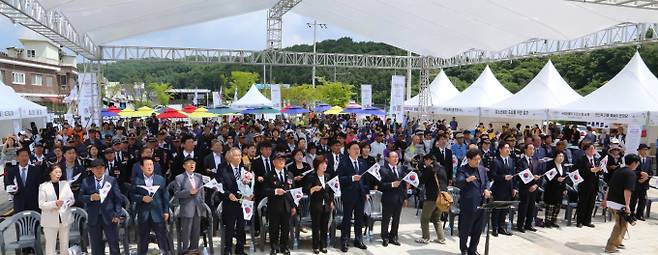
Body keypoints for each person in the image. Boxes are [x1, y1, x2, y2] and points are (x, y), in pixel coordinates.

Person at [80, 159, 122, 255]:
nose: (99, 170)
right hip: (94, 217)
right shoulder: (86, 181)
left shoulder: (111, 180)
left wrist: (117, 214)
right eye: (96, 168)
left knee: (113, 243)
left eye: (101, 168)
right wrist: (90, 197)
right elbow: (80, 197)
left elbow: (118, 199)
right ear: (92, 170)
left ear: (104, 169)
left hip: (110, 216)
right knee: (95, 244)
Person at [131, 157, 170, 255]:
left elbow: (165, 196)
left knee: (162, 237)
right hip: (143, 213)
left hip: (158, 212)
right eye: (147, 165)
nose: (149, 167)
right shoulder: (136, 180)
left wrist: (166, 211)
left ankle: (164, 253)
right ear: (141, 167)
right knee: (143, 238)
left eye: (151, 164)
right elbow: (132, 195)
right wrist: (142, 198)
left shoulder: (160, 179)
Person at [456, 148, 491, 255]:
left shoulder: (481, 169)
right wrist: (467, 180)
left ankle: (473, 249)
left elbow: (487, 182)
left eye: (479, 159)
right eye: (475, 159)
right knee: (465, 229)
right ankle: (464, 249)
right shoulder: (463, 169)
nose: (478, 161)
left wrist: (486, 189)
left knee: (478, 229)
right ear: (469, 159)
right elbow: (458, 183)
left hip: (482, 203)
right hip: (468, 204)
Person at [602, 154, 640, 253]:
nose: (637, 165)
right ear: (634, 163)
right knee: (620, 226)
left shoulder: (618, 170)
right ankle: (611, 247)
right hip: (620, 204)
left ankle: (618, 242)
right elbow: (627, 190)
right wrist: (627, 205)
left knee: (622, 224)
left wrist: (605, 200)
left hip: (611, 202)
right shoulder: (631, 174)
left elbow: (609, 187)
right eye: (637, 163)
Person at [338, 141, 368, 252]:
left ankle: (358, 239)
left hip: (360, 195)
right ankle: (344, 240)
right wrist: (351, 178)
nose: (357, 150)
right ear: (348, 150)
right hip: (348, 195)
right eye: (354, 148)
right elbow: (339, 179)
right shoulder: (343, 162)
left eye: (358, 149)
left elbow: (365, 180)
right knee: (347, 219)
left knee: (359, 219)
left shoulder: (362, 163)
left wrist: (366, 192)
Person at [219, 148, 249, 255]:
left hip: (242, 202)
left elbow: (249, 185)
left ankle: (240, 248)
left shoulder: (244, 170)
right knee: (230, 227)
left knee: (241, 227)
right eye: (236, 155)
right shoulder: (224, 170)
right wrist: (228, 194)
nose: (238, 157)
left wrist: (249, 194)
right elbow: (221, 187)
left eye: (240, 155)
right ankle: (228, 249)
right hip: (230, 202)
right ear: (231, 158)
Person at [39, 165, 75, 255]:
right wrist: (55, 204)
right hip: (50, 220)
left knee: (65, 244)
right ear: (50, 173)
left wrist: (68, 202)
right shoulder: (43, 186)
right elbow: (41, 204)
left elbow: (72, 199)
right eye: (56, 172)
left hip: (64, 219)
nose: (58, 174)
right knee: (50, 246)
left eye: (60, 172)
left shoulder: (65, 184)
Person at [265, 153, 296, 255]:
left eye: (283, 159)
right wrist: (275, 191)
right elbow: (264, 191)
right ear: (273, 162)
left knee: (285, 227)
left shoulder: (289, 174)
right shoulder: (269, 175)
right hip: (274, 206)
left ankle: (284, 247)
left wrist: (293, 206)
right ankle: (274, 247)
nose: (282, 161)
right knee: (274, 227)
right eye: (279, 159)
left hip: (287, 205)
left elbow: (293, 192)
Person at [174, 157, 206, 253]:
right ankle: (185, 250)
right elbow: (177, 193)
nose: (192, 165)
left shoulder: (199, 176)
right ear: (184, 166)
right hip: (187, 207)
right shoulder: (179, 178)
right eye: (189, 163)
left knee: (196, 230)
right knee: (186, 230)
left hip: (198, 207)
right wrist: (189, 192)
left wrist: (203, 207)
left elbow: (202, 193)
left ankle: (194, 249)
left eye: (193, 163)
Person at [305, 156, 333, 254]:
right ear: (317, 165)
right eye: (322, 164)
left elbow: (331, 191)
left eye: (325, 163)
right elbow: (306, 190)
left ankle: (323, 245)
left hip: (326, 205)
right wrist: (312, 189)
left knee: (325, 226)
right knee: (316, 226)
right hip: (316, 205)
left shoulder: (327, 176)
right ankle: (315, 246)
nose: (324, 165)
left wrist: (331, 201)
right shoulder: (311, 177)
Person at [416, 154, 447, 244]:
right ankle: (441, 238)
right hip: (442, 197)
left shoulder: (429, 169)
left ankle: (425, 238)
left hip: (432, 198)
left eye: (425, 160)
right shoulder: (442, 168)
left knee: (424, 218)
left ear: (429, 160)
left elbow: (421, 180)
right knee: (436, 218)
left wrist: (419, 170)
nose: (425, 163)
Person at [378, 151, 407, 247]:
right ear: (388, 159)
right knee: (386, 219)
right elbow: (380, 186)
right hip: (388, 198)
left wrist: (405, 197)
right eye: (393, 157)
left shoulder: (400, 169)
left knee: (396, 219)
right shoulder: (383, 170)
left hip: (399, 199)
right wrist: (391, 185)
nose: (395, 159)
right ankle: (385, 237)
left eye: (397, 157)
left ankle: (393, 237)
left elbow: (403, 185)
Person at [490, 143, 516, 236]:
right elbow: (493, 175)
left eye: (509, 148)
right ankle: (495, 228)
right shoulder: (496, 161)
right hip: (499, 188)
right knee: (497, 209)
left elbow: (513, 175)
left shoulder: (511, 160)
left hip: (508, 188)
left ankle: (501, 227)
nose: (508, 150)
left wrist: (514, 188)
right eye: (506, 148)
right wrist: (503, 177)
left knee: (505, 209)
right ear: (500, 150)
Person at [4, 148, 40, 212]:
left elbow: (39, 186)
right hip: (19, 204)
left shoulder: (35, 170)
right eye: (22, 156)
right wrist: (11, 191)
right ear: (17, 158)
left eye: (26, 156)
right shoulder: (11, 171)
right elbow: (8, 185)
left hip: (33, 204)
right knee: (20, 221)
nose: (24, 158)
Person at [575, 141, 602, 228]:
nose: (592, 150)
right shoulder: (582, 159)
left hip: (594, 184)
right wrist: (590, 170)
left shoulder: (596, 159)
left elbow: (599, 171)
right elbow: (580, 171)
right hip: (584, 184)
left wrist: (599, 170)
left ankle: (587, 220)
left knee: (591, 203)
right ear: (586, 150)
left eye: (593, 149)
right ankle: (580, 221)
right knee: (583, 203)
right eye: (590, 149)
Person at [516, 144, 540, 233]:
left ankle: (528, 224)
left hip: (534, 187)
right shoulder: (521, 161)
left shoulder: (536, 160)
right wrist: (532, 178)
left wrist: (536, 184)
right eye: (530, 149)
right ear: (525, 150)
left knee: (531, 207)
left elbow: (539, 173)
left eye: (533, 149)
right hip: (525, 188)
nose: (532, 151)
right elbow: (520, 175)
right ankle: (520, 225)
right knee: (523, 207)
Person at [543, 152, 568, 228]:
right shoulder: (550, 165)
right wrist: (556, 179)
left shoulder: (563, 166)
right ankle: (547, 221)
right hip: (551, 188)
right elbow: (547, 177)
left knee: (558, 206)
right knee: (550, 205)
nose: (561, 158)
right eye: (559, 156)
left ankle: (553, 221)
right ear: (555, 157)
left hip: (560, 189)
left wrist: (564, 188)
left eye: (562, 156)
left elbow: (564, 178)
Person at [630, 144, 653, 221]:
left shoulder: (649, 160)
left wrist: (646, 178)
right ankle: (631, 214)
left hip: (645, 183)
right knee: (633, 200)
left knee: (643, 200)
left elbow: (651, 172)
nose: (645, 151)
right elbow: (633, 170)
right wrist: (639, 177)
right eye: (644, 149)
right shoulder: (636, 159)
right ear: (639, 151)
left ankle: (639, 215)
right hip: (636, 183)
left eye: (646, 150)